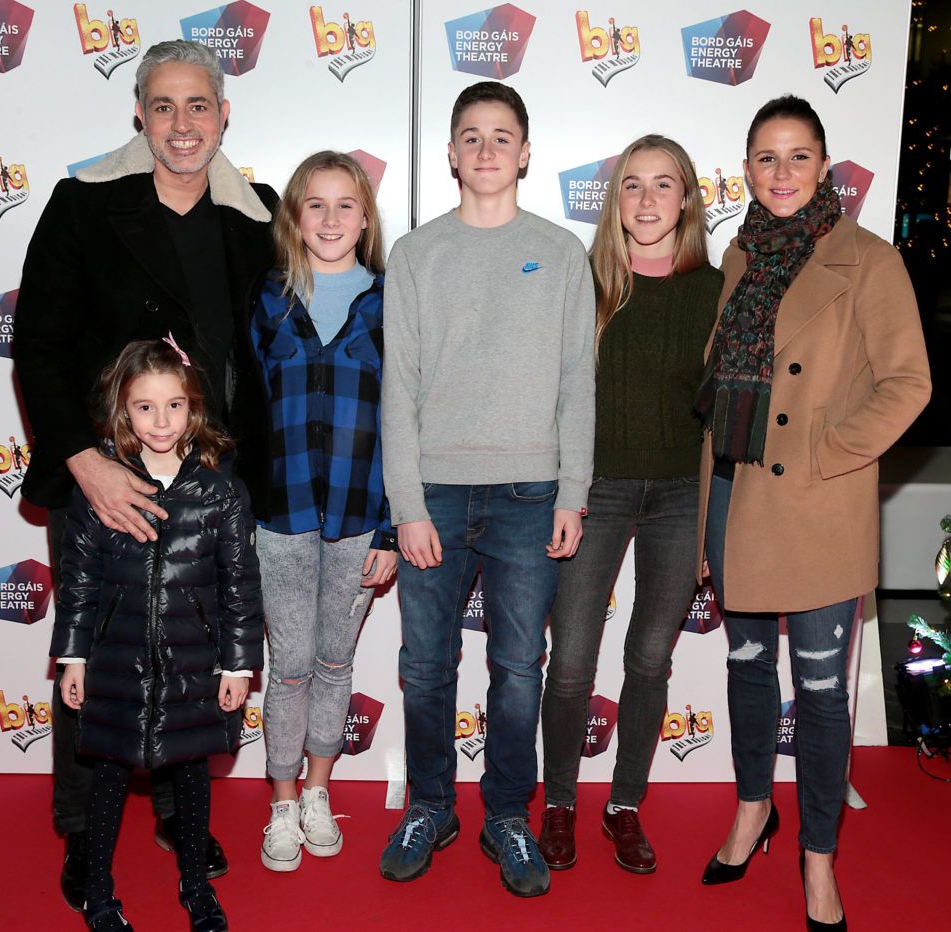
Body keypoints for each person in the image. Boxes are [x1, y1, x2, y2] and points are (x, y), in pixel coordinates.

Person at [12, 39, 277, 909]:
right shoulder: (84, 204)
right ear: (139, 113)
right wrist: (85, 464)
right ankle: (82, 836)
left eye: (198, 105)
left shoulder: (254, 214)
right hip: (106, 482)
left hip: (202, 487)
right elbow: (38, 347)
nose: (182, 124)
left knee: (191, 654)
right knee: (97, 660)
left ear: (223, 112)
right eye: (163, 106)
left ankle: (178, 815)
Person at [694, 96, 931, 931]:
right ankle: (755, 810)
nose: (782, 173)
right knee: (748, 668)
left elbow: (910, 383)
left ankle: (819, 860)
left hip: (815, 503)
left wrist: (829, 454)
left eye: (799, 156)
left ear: (825, 165)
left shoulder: (869, 259)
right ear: (748, 169)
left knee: (823, 697)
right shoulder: (739, 259)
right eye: (766, 157)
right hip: (735, 495)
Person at [378, 81, 595, 898]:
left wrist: (572, 491)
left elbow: (579, 383)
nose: (486, 150)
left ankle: (507, 814)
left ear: (527, 151)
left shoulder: (563, 253)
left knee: (516, 668)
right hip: (435, 491)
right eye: (471, 136)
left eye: (502, 136)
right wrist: (406, 504)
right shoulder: (415, 254)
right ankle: (431, 806)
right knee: (426, 667)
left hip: (530, 497)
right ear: (451, 153)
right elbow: (397, 389)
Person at [538, 135, 722, 874]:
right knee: (574, 662)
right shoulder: (583, 282)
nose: (647, 201)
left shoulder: (715, 290)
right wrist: (565, 493)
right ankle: (557, 804)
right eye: (633, 186)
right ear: (615, 201)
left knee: (649, 659)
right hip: (597, 491)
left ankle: (623, 805)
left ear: (687, 199)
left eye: (663, 185)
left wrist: (718, 521)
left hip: (682, 494)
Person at [49, 337, 264, 931]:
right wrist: (72, 659)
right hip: (116, 666)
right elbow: (80, 582)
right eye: (145, 407)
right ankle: (98, 896)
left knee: (193, 781)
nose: (161, 420)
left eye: (173, 405)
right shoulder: (101, 491)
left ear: (193, 408)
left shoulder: (219, 491)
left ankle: (196, 890)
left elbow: (241, 586)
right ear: (123, 410)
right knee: (107, 780)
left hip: (194, 667)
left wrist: (237, 666)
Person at [249, 151, 398, 872]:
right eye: (316, 204)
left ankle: (317, 791)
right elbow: (242, 410)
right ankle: (280, 802)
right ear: (294, 218)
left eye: (346, 205)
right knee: (292, 666)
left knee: (335, 662)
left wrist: (397, 527)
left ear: (366, 217)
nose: (332, 218)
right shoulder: (268, 300)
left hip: (359, 515)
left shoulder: (394, 301)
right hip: (278, 515)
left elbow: (410, 421)